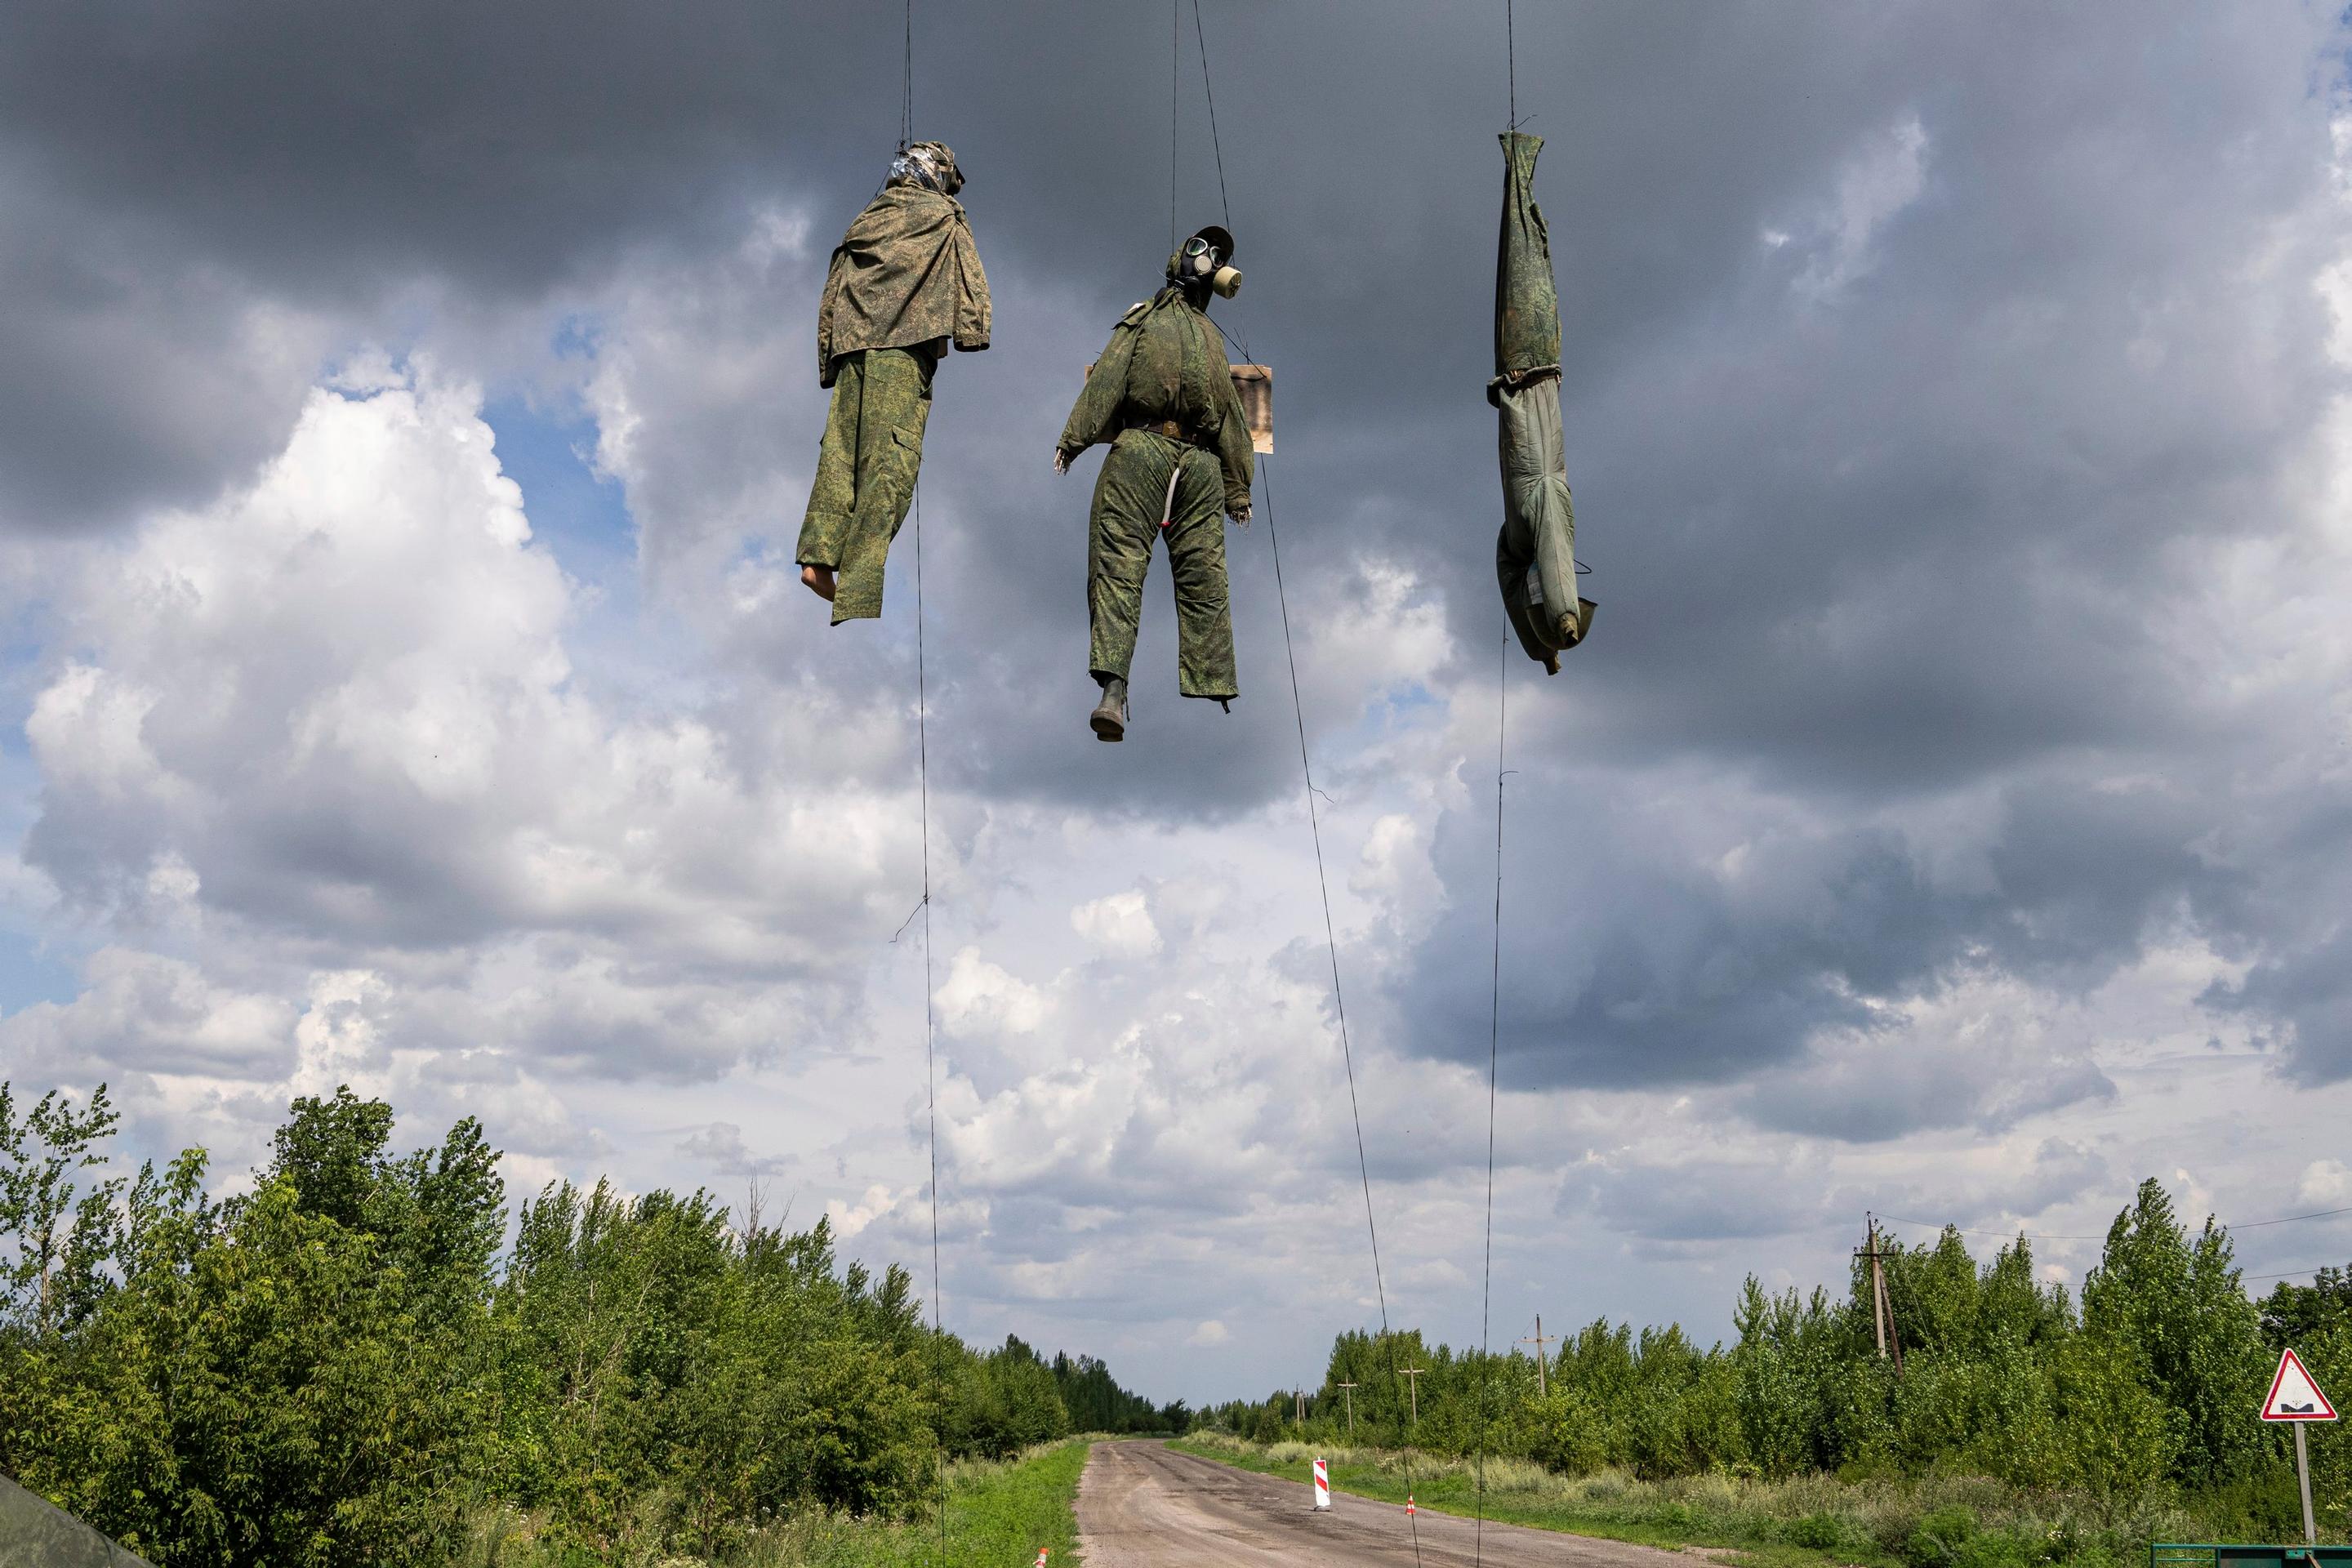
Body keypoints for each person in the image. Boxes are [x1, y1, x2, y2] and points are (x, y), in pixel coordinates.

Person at [1054, 225, 1254, 741]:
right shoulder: (1144, 318)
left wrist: (1238, 487)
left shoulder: (1212, 338)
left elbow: (1230, 413)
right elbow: (1111, 375)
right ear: (1179, 258)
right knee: (1118, 565)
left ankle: (1213, 679)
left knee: (1206, 575)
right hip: (1141, 450)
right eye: (1199, 249)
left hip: (1200, 463)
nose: (1207, 259)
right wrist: (1073, 439)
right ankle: (1113, 693)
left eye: (1217, 255)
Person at [797, 140, 991, 624]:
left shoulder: (864, 220)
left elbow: (831, 292)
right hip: (903, 354)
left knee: (839, 456)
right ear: (938, 176)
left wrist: (828, 360)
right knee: (889, 466)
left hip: (851, 353)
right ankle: (858, 591)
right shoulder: (946, 216)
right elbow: (971, 281)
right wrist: (973, 332)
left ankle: (818, 558)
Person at [1491, 130, 1594, 674]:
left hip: (1530, 382)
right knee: (1530, 260)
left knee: (1527, 264)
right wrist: (1543, 649)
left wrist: (1560, 622)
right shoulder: (1517, 535)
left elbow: (1551, 560)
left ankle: (1520, 166)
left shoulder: (1539, 512)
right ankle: (1520, 170)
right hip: (1530, 386)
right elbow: (1519, 571)